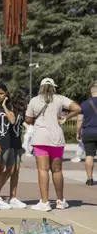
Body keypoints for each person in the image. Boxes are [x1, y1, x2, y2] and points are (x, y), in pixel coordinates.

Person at [25, 78, 82, 211]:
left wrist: (34, 120)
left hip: (40, 138)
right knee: (57, 170)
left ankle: (44, 202)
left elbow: (28, 118)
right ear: (53, 87)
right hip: (57, 138)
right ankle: (60, 200)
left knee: (43, 170)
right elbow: (77, 108)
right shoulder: (60, 99)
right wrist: (66, 117)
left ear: (41, 87)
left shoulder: (34, 100)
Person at [4, 90, 29, 209]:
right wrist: (4, 105)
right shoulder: (11, 108)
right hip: (10, 143)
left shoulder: (22, 112)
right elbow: (12, 121)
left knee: (16, 171)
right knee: (10, 169)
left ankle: (13, 197)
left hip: (18, 143)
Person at [77, 81, 97, 185]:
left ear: (91, 91)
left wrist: (78, 131)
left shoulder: (84, 104)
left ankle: (89, 179)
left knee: (89, 155)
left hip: (88, 132)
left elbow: (80, 120)